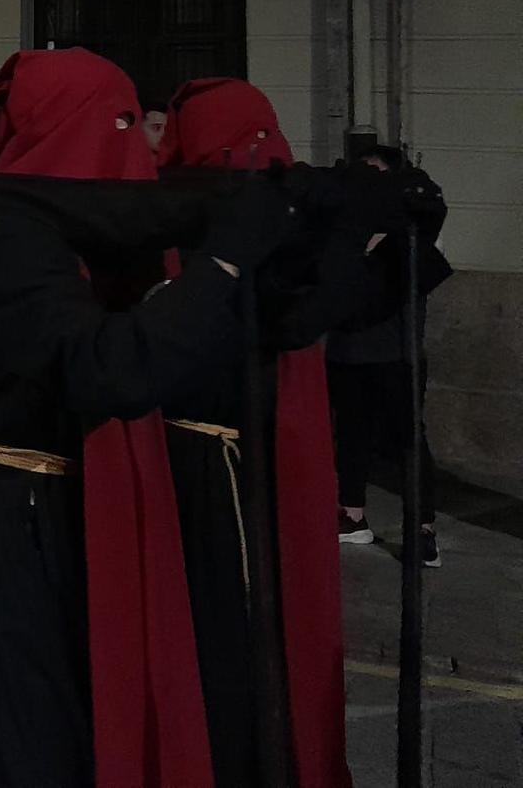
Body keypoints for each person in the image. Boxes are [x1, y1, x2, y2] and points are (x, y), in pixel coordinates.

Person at [0, 48, 296, 788]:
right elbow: (109, 369)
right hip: (10, 529)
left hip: (54, 519)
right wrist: (219, 267)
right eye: (120, 124)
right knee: (26, 747)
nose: (142, 146)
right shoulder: (15, 240)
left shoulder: (72, 238)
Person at [156, 76, 396, 787]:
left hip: (244, 455)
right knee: (217, 638)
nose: (263, 155)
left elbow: (308, 314)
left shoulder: (276, 214)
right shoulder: (170, 215)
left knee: (260, 630)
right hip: (202, 464)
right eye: (247, 142)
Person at [327, 142, 451, 567]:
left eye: (376, 173)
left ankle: (423, 530)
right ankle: (352, 515)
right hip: (348, 349)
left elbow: (426, 218)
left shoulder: (410, 226)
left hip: (396, 353)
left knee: (408, 440)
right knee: (352, 436)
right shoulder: (348, 224)